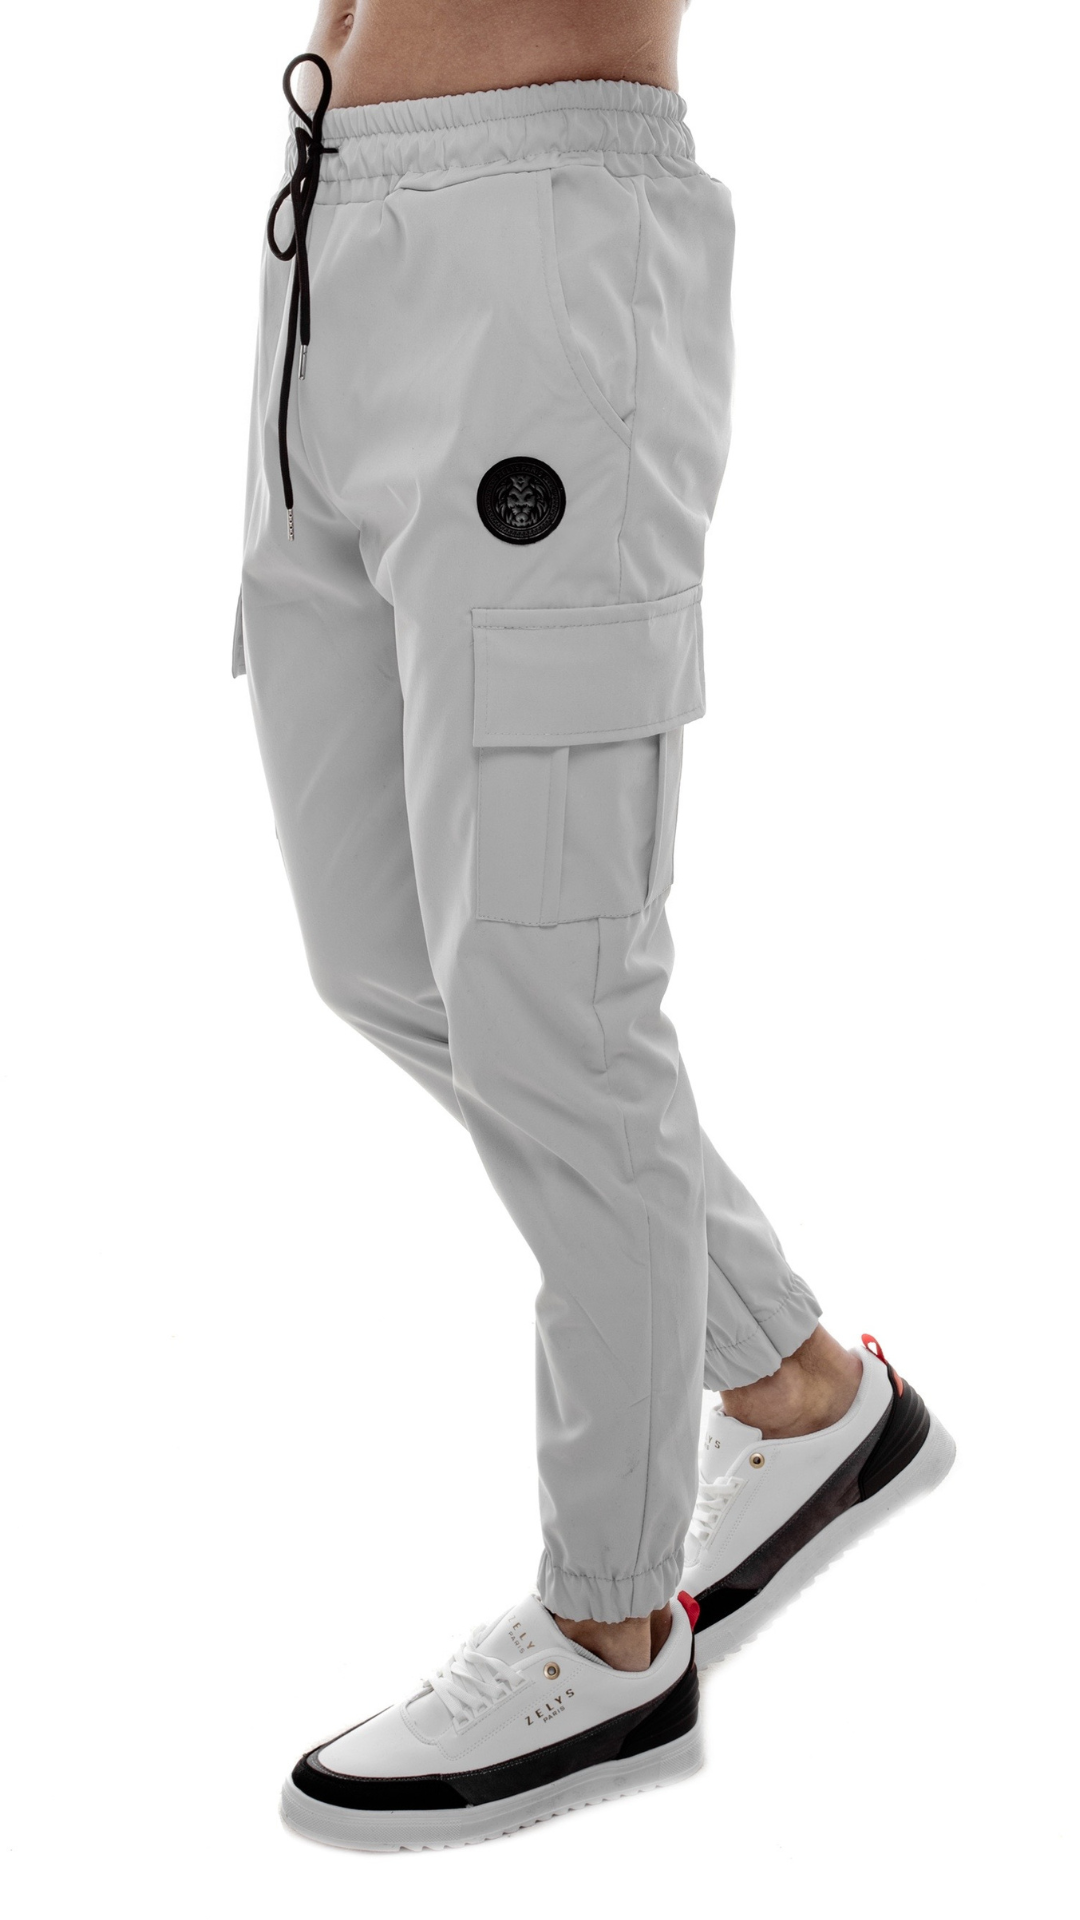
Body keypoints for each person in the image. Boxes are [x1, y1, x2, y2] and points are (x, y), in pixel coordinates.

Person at [234, 0, 954, 1853]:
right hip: (333, 237)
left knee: (557, 991)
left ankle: (613, 1626)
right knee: (387, 954)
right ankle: (795, 1388)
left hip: (538, 237)